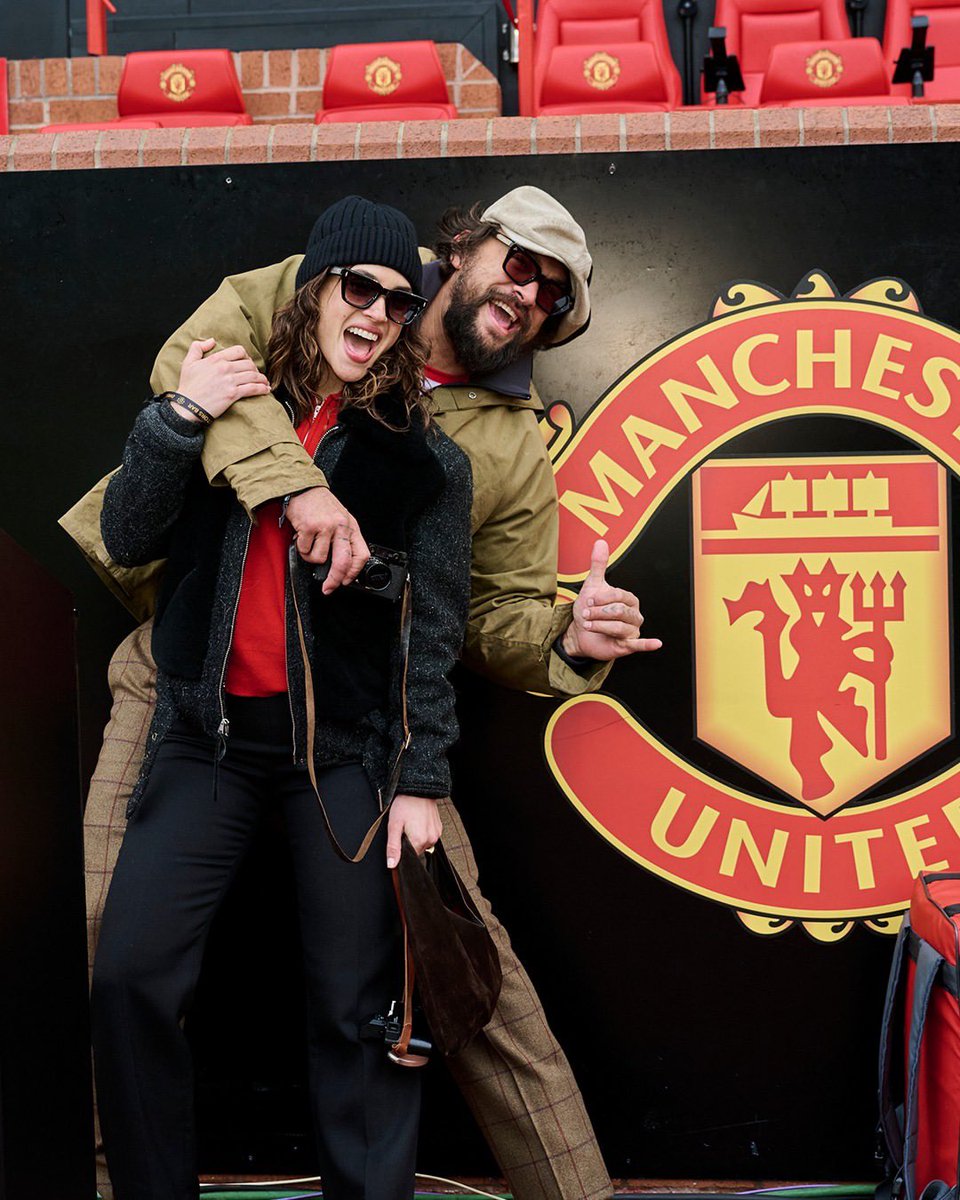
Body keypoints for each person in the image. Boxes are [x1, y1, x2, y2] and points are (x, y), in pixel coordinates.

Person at [65, 186, 661, 1200]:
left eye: (553, 297)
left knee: (434, 974)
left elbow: (469, 619)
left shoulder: (474, 448)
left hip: (359, 725)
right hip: (188, 687)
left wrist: (565, 636)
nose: (528, 295)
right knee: (111, 951)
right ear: (463, 249)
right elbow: (182, 389)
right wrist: (289, 481)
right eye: (520, 264)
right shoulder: (301, 293)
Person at [89, 196, 473, 1200]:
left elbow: (432, 635)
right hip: (207, 742)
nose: (376, 314)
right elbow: (126, 536)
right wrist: (177, 418)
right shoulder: (230, 407)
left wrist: (420, 779)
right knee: (129, 977)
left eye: (399, 303)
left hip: (340, 755)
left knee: (357, 1011)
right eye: (359, 289)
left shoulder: (425, 460)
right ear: (313, 290)